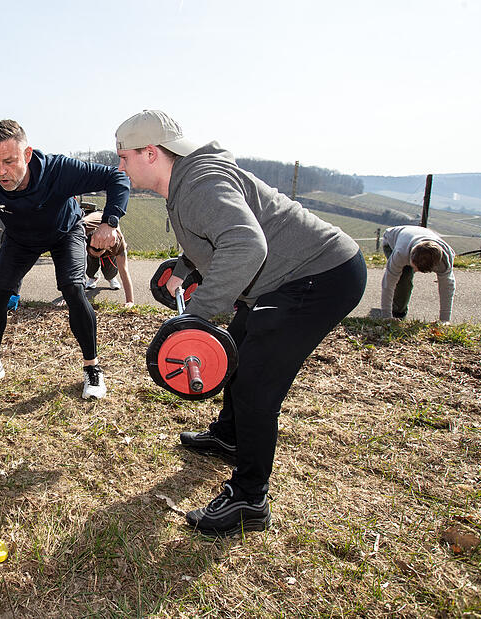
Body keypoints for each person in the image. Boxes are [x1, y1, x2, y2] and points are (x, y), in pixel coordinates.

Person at [115, 110, 367, 536]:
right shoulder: (189, 181)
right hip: (287, 277)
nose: (119, 166)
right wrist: (183, 268)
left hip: (318, 275)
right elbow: (215, 235)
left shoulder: (199, 185)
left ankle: (250, 499)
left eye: (124, 157)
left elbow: (246, 244)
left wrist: (196, 318)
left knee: (254, 382)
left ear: (151, 153)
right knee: (238, 348)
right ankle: (230, 436)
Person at [0, 119, 130, 399]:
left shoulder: (58, 170)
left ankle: (92, 367)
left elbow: (116, 177)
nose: (1, 171)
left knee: (73, 289)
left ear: (27, 154)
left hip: (64, 233)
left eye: (10, 161)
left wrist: (110, 221)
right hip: (20, 238)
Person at [380, 225, 455, 323]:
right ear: (410, 257)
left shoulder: (445, 260)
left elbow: (447, 288)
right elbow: (388, 283)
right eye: (415, 267)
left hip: (418, 234)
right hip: (391, 239)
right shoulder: (400, 253)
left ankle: (397, 310)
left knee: (408, 274)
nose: (415, 271)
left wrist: (445, 320)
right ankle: (398, 313)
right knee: (404, 277)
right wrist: (386, 316)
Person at [82, 209, 134, 307]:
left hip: (108, 235)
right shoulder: (80, 234)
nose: (98, 255)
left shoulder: (117, 243)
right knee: (90, 267)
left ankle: (111, 277)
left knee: (109, 271)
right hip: (90, 226)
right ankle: (93, 277)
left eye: (101, 253)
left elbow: (124, 271)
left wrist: (130, 301)